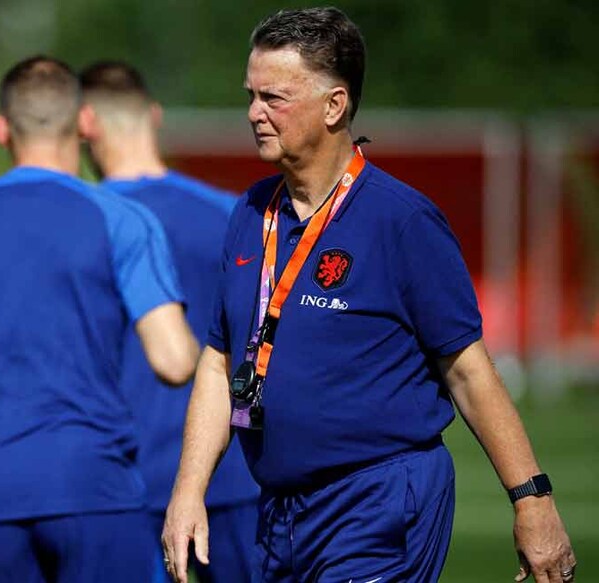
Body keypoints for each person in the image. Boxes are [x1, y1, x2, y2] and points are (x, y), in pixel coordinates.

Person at [162, 7, 576, 583]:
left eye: (274, 98)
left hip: (378, 502)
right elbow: (220, 362)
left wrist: (533, 501)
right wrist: (188, 493)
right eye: (251, 95)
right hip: (280, 510)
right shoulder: (251, 212)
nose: (254, 113)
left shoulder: (400, 221)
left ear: (334, 105)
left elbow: (468, 372)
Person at [0, 55, 200, 582]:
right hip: (90, 483)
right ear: (84, 124)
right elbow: (174, 360)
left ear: (1, 128)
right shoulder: (121, 219)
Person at [78, 60, 261, 583]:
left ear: (83, 124)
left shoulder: (80, 222)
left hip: (123, 483)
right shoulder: (235, 214)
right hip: (234, 473)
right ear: (154, 115)